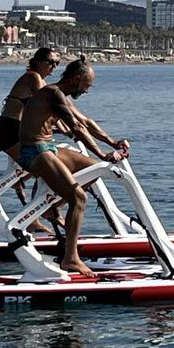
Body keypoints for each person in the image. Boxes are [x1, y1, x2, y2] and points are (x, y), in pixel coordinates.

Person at [17, 58, 127, 276]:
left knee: (91, 169)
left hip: (48, 146)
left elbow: (85, 122)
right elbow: (76, 128)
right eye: (87, 84)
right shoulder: (52, 93)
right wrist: (103, 153)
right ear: (76, 79)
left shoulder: (61, 94)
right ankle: (71, 258)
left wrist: (112, 142)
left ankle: (51, 206)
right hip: (34, 151)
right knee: (79, 198)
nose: (87, 90)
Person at [0, 47, 61, 162]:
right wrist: (67, 128)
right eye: (50, 62)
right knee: (41, 166)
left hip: (20, 131)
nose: (54, 66)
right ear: (38, 62)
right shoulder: (33, 77)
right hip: (9, 131)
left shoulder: (42, 82)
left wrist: (67, 129)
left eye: (57, 63)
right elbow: (46, 106)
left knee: (34, 169)